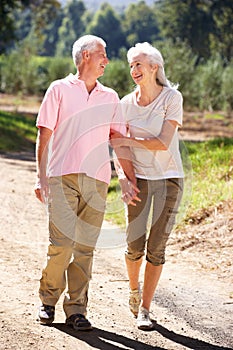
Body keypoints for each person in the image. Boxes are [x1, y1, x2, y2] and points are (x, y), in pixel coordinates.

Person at [34, 34, 137, 331]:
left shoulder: (110, 97)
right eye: (102, 54)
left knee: (85, 249)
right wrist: (40, 177)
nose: (107, 60)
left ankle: (77, 309)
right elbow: (44, 134)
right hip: (61, 176)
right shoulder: (59, 90)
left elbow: (117, 140)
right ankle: (48, 300)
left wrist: (126, 178)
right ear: (86, 57)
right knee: (62, 245)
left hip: (97, 181)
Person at [111, 42, 184, 330]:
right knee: (134, 245)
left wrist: (127, 140)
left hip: (169, 178)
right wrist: (123, 177)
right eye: (131, 65)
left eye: (138, 64)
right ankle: (133, 290)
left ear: (155, 67)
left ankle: (145, 308)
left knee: (157, 247)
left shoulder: (171, 98)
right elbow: (118, 147)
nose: (133, 70)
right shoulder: (125, 104)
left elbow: (162, 142)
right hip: (139, 179)